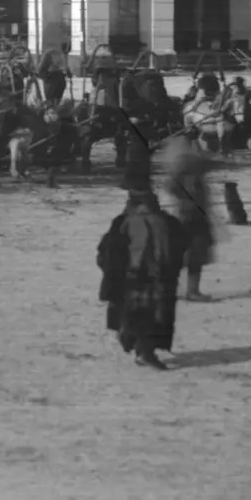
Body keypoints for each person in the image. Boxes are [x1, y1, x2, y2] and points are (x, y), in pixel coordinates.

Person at [96, 169, 190, 370]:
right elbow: (109, 252)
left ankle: (141, 347)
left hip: (149, 277)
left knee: (147, 316)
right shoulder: (133, 223)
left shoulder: (159, 222)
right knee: (147, 316)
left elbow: (182, 243)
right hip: (140, 276)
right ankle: (144, 350)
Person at [160, 131, 216, 302]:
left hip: (188, 213)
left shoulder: (184, 163)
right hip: (192, 215)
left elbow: (170, 187)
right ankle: (191, 291)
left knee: (183, 254)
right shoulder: (192, 163)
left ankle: (172, 290)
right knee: (194, 254)